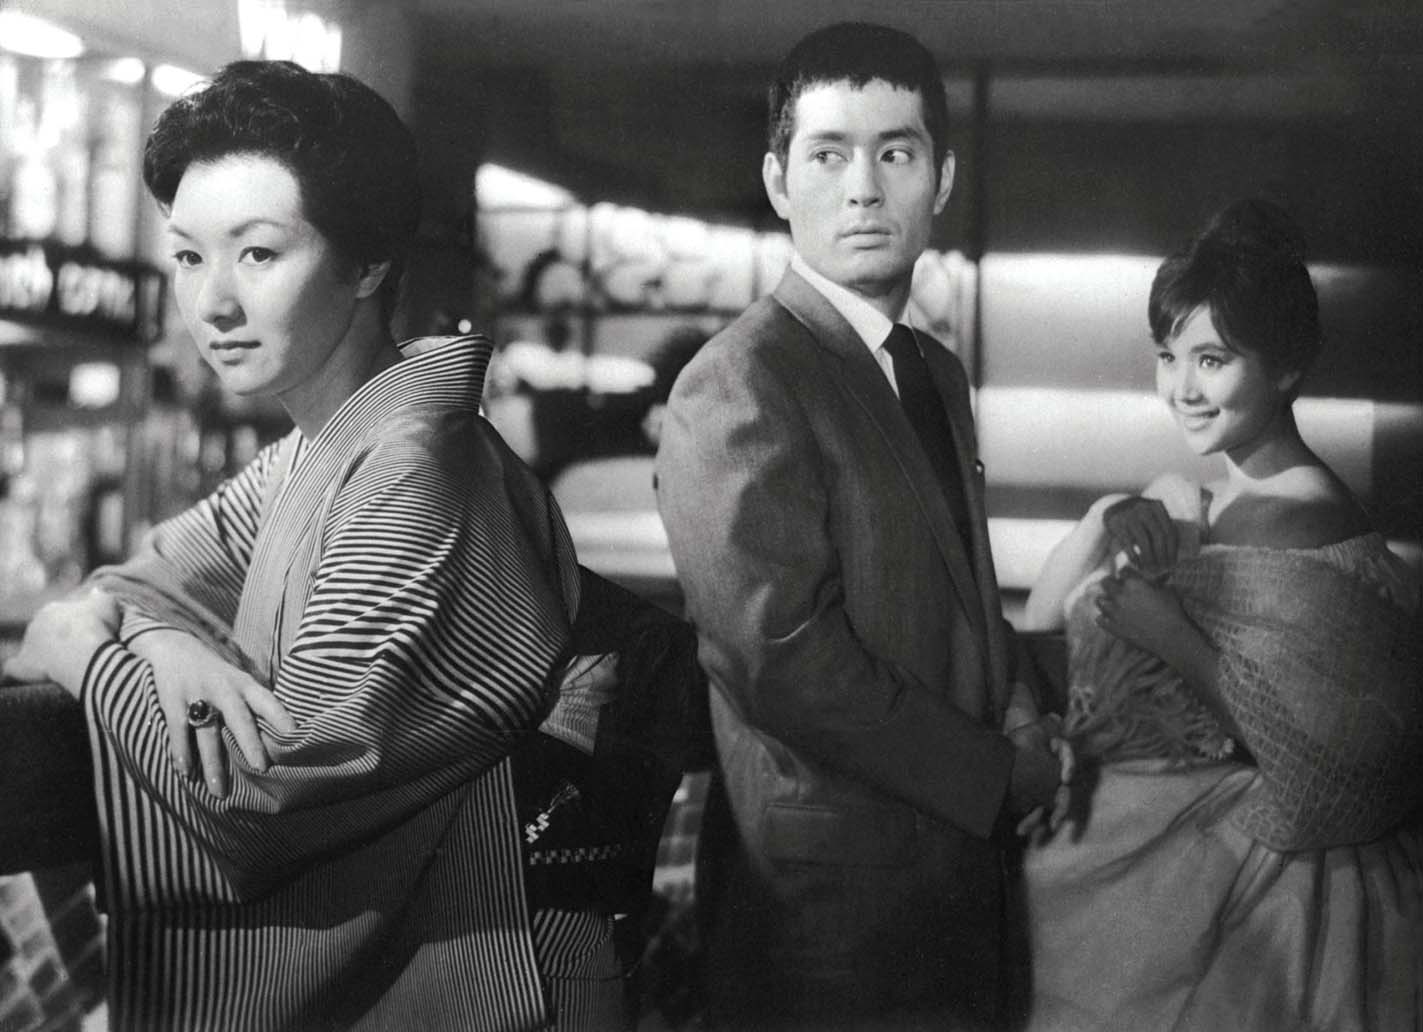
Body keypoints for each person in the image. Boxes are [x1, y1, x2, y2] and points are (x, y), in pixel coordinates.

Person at [2, 61, 630, 1031]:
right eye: (187, 257)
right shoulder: (323, 447)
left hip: (489, 986)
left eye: (257, 254)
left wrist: (75, 647)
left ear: (368, 262)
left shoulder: (412, 468)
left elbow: (265, 793)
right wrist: (159, 644)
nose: (212, 302)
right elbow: (140, 582)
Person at [655, 23, 1069, 1031]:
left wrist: (1021, 710)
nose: (863, 190)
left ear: (942, 178)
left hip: (952, 887)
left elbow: (962, 595)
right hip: (824, 913)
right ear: (777, 181)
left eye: (896, 152)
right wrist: (995, 775)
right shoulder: (740, 379)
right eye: (828, 155)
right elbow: (782, 660)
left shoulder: (933, 372)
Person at [1019, 198, 1423, 1031]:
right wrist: (1103, 517)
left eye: (1212, 360)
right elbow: (1044, 625)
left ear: (1286, 368)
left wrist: (1169, 633)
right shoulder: (1211, 501)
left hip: (1258, 896)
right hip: (1145, 860)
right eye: (1167, 357)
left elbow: (1319, 771)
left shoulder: (1302, 521)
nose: (1182, 389)